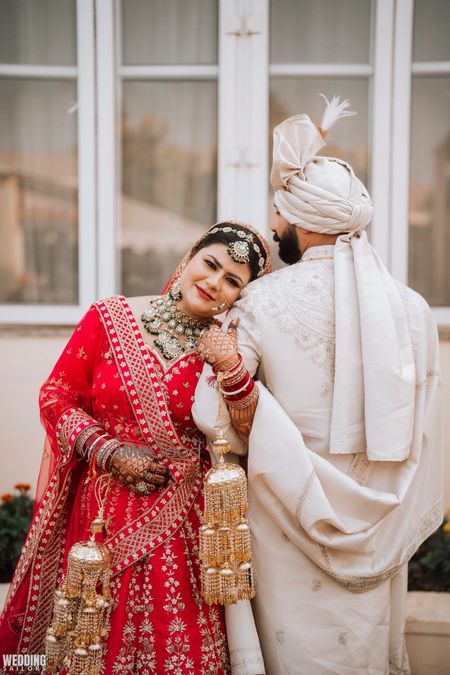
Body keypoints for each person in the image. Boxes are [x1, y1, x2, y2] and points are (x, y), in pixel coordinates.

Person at [193, 97, 443, 674]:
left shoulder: (260, 300)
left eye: (277, 215)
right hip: (380, 529)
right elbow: (425, 434)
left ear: (301, 221)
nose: (274, 227)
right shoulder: (413, 310)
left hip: (284, 521)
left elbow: (213, 415)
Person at [0, 222, 271, 674]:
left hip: (183, 527)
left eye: (232, 281)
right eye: (210, 264)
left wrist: (230, 367)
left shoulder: (229, 346)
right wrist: (108, 450)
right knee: (91, 645)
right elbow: (56, 397)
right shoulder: (110, 318)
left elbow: (249, 431)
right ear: (190, 257)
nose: (213, 282)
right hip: (102, 519)